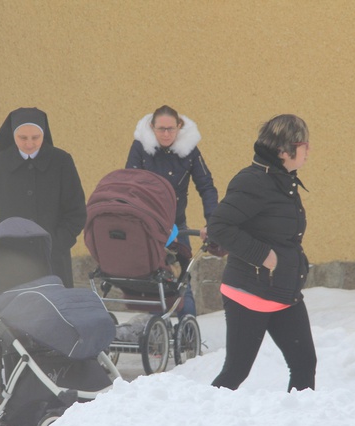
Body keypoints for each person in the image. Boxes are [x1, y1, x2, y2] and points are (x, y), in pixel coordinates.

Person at [208, 114, 316, 392]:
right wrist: (264, 256)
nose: (308, 150)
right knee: (235, 373)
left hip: (282, 291)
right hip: (250, 292)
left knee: (304, 364)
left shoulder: (283, 180)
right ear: (284, 150)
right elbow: (219, 225)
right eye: (304, 144)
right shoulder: (254, 181)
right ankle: (199, 423)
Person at [0, 107, 86, 288]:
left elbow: (76, 211)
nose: (29, 143)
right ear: (13, 135)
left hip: (53, 260)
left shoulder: (61, 161)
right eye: (23, 138)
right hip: (9, 262)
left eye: (35, 137)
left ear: (43, 134)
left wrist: (56, 244)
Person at [125, 105, 218, 317]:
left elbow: (206, 186)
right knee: (152, 282)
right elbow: (129, 183)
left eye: (171, 129)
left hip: (177, 226)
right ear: (152, 127)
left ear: (179, 127)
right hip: (147, 227)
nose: (166, 134)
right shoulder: (141, 147)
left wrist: (212, 221)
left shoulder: (189, 151)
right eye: (161, 129)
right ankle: (156, 333)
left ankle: (188, 334)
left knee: (183, 281)